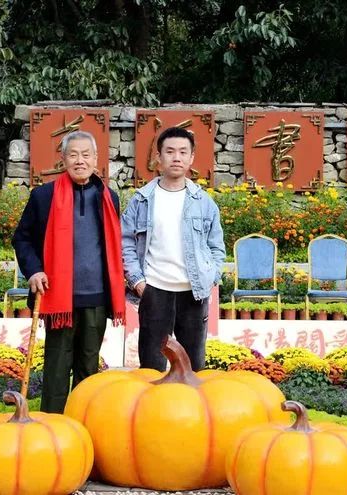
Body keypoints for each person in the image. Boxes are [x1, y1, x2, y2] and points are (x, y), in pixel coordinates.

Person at [12, 130, 125, 413]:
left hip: (96, 296)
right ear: (63, 160)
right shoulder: (44, 196)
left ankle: (81, 421)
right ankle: (53, 423)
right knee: (57, 367)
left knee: (89, 366)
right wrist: (34, 270)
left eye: (86, 155)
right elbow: (22, 238)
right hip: (58, 296)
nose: (79, 161)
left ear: (96, 159)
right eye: (73, 155)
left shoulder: (109, 197)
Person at [121, 126, 225, 371]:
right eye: (169, 151)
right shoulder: (141, 200)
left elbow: (216, 246)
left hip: (193, 292)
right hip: (154, 290)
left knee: (192, 367)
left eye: (182, 152)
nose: (176, 157)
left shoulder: (204, 202)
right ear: (158, 157)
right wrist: (138, 282)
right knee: (152, 367)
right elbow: (124, 242)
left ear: (191, 158)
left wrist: (211, 276)